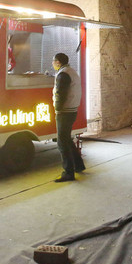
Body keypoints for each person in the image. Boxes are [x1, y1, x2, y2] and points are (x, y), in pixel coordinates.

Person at [52, 52, 85, 182]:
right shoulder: (71, 71)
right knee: (67, 139)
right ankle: (79, 165)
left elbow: (61, 93)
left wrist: (58, 109)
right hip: (72, 110)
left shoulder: (63, 74)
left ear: (58, 62)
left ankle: (68, 173)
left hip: (65, 111)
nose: (53, 63)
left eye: (54, 61)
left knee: (62, 142)